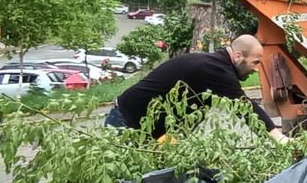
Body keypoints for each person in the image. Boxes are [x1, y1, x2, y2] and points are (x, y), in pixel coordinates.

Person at [108, 34, 288, 143]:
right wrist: (279, 139)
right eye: (255, 62)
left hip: (146, 131)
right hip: (125, 123)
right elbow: (245, 108)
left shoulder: (213, 67)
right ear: (238, 56)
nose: (257, 68)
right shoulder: (215, 69)